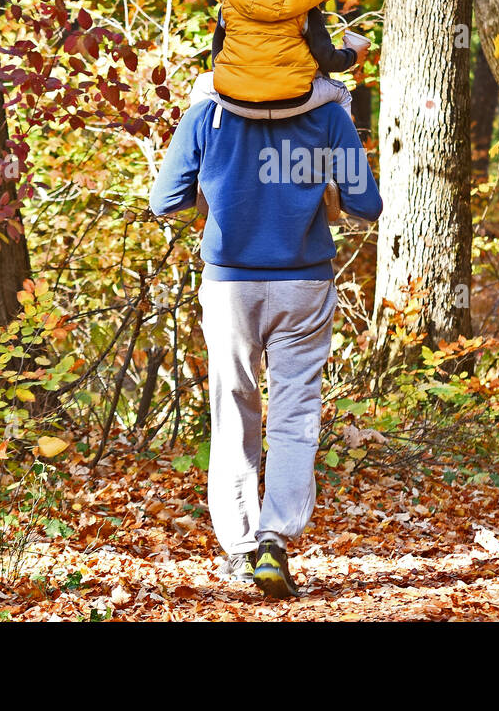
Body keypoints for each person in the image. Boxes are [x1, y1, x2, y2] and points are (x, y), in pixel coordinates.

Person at [149, 56, 383, 599]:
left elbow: (164, 200)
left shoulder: (208, 110)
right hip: (304, 283)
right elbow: (366, 204)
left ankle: (238, 549)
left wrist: (208, 203)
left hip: (230, 284)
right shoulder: (329, 116)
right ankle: (274, 542)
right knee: (296, 410)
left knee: (234, 408)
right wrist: (327, 199)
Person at [189, 0, 370, 220]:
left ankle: (202, 173)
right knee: (341, 93)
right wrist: (353, 55)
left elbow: (218, 57)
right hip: (294, 99)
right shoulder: (305, 3)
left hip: (236, 100)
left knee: (202, 86)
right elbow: (326, 59)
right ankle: (337, 182)